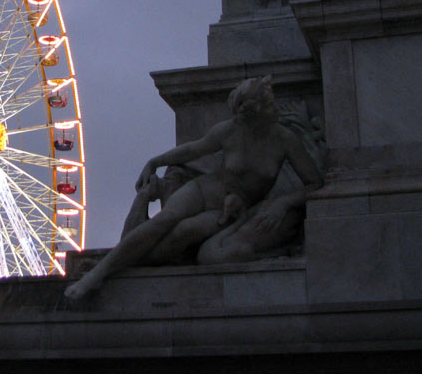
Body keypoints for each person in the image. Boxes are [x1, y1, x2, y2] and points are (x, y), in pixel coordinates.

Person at [64, 76, 322, 299]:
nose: (243, 119)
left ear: (261, 111)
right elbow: (192, 149)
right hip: (204, 190)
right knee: (164, 220)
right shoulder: (230, 130)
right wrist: (155, 161)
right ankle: (97, 274)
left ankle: (115, 266)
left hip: (228, 210)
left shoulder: (284, 140)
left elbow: (315, 183)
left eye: (249, 114)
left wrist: (283, 203)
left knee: (184, 232)